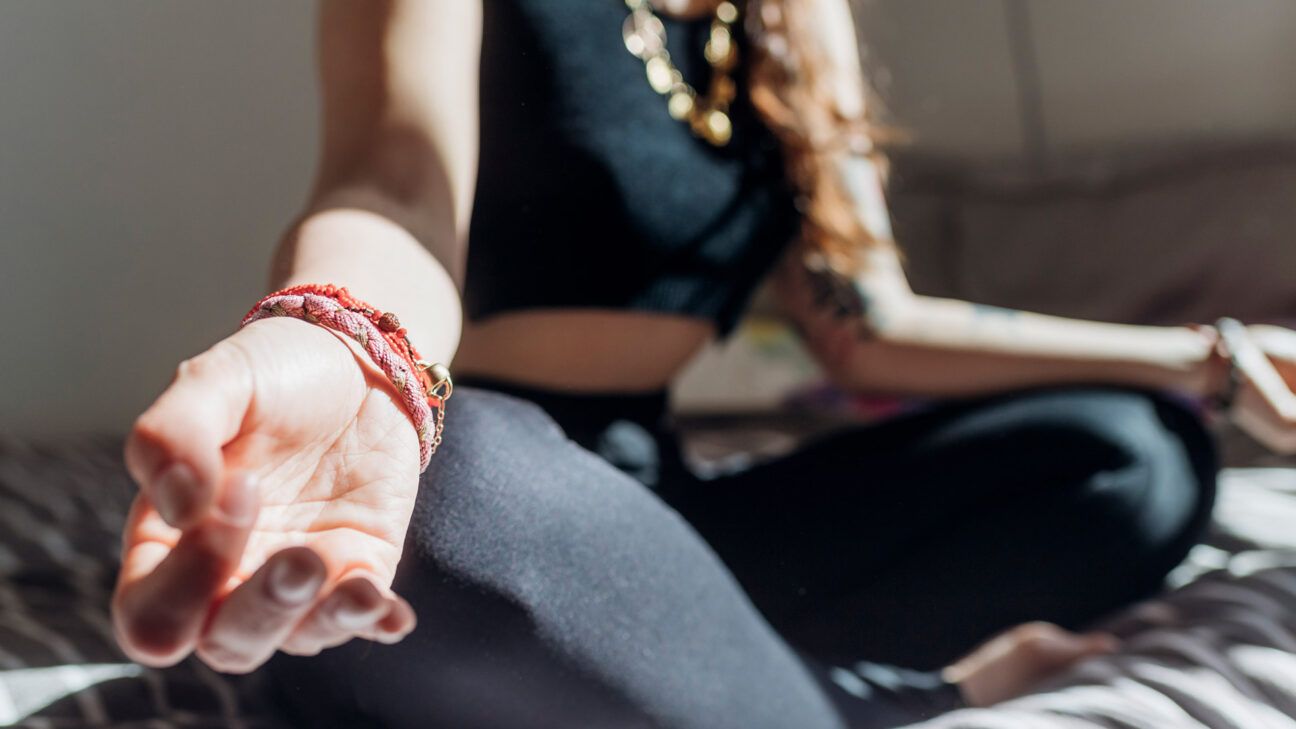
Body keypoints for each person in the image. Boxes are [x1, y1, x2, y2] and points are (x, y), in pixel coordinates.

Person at [109, 0, 1296, 726]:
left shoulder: (779, 13)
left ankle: (673, 671)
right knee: (451, 494)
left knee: (1135, 450)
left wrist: (1215, 361)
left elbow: (864, 320)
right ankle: (911, 699)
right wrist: (343, 336)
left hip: (663, 517)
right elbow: (392, 184)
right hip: (500, 502)